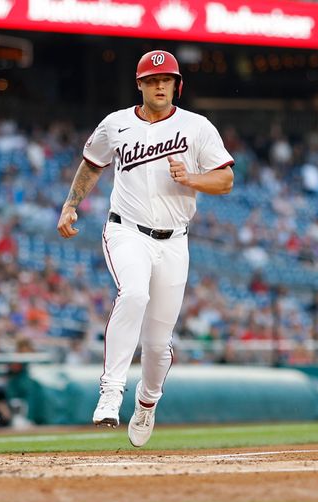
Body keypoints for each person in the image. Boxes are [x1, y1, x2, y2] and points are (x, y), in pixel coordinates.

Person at [57, 50, 234, 447]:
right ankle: (110, 391)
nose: (159, 85)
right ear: (139, 84)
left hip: (174, 240)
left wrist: (191, 178)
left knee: (157, 345)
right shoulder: (115, 124)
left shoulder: (197, 126)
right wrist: (71, 205)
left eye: (166, 79)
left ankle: (147, 402)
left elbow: (225, 181)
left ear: (176, 85)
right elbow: (91, 163)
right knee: (133, 292)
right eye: (152, 80)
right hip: (126, 230)